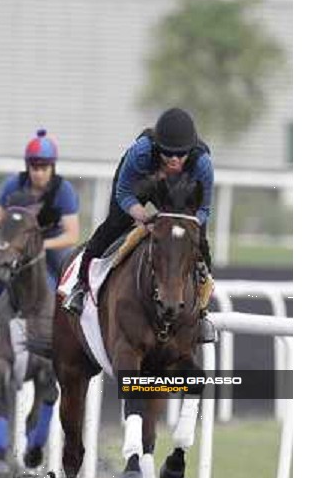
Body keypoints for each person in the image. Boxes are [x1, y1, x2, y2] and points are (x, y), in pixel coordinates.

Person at [62, 107, 216, 342]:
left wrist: (184, 226)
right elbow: (124, 193)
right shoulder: (141, 152)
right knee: (111, 228)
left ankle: (202, 311)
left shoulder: (202, 163)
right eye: (168, 154)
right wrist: (144, 217)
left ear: (191, 150)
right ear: (158, 148)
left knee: (201, 245)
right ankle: (80, 287)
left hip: (181, 198)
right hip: (141, 185)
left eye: (181, 155)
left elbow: (203, 210)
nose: (174, 160)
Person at [0, 129, 80, 347]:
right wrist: (14, 241)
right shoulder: (12, 185)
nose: (38, 173)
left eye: (43, 167)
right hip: (17, 243)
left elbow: (72, 234)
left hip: (52, 244)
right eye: (34, 167)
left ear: (52, 167)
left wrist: (39, 245)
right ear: (27, 166)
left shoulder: (64, 190)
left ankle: (77, 328)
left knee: (73, 278)